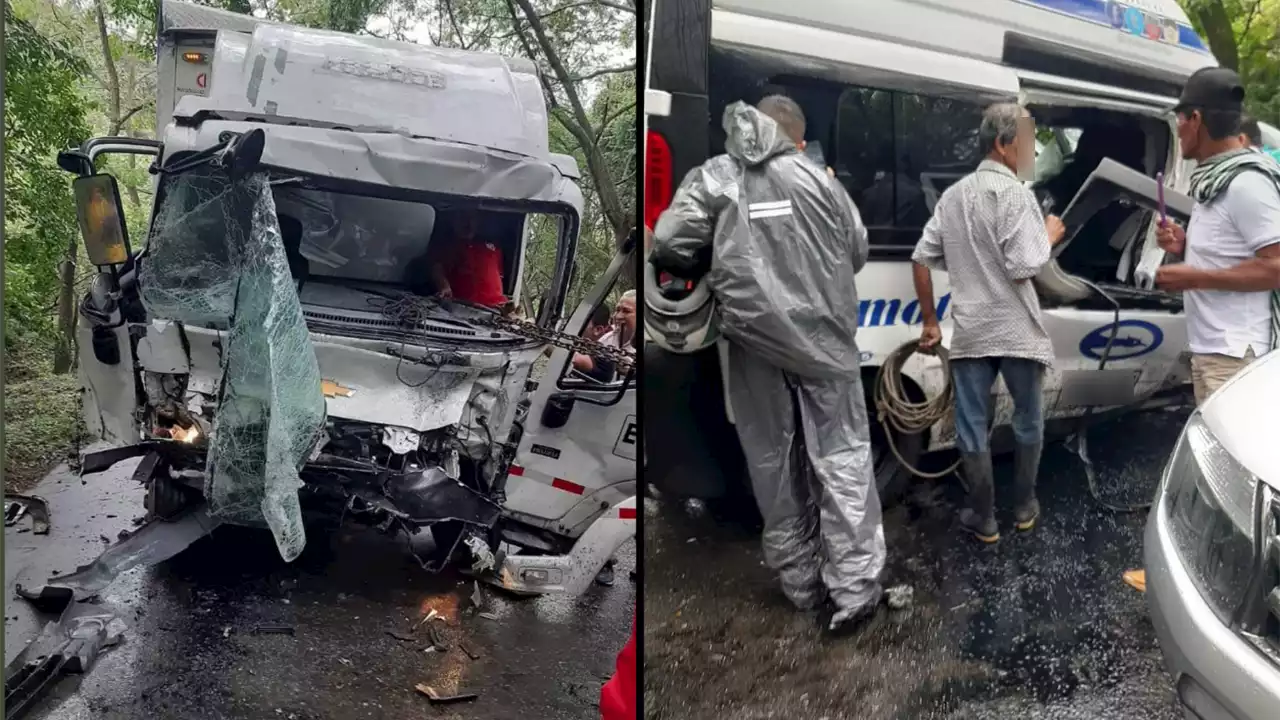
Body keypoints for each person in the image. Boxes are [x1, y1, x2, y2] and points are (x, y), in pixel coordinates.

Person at [652, 96, 883, 634]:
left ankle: (801, 585)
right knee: (842, 456)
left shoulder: (717, 176)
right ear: (798, 140)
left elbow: (669, 240)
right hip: (827, 344)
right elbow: (858, 249)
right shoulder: (822, 181)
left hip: (753, 343)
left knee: (773, 462)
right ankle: (853, 592)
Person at [1122, 68, 1280, 594]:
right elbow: (1233, 251)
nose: (1178, 131)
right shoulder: (1218, 182)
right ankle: (1211, 579)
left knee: (1228, 482)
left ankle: (1224, 593)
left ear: (1195, 120)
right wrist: (1183, 243)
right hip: (1217, 350)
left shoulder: (1246, 183)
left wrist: (1191, 275)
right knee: (1219, 477)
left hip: (1236, 356)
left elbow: (1276, 265)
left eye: (1180, 120)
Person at [911, 103, 1067, 544]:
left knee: (971, 425)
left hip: (973, 331)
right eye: (1026, 142)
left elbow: (921, 258)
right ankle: (1022, 507)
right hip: (1017, 330)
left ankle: (983, 518)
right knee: (1029, 421)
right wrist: (1049, 236)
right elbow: (1023, 266)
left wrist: (930, 322)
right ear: (1002, 145)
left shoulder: (953, 196)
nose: (1031, 153)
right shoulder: (1017, 193)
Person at [428, 211, 507, 307]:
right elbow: (437, 269)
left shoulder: (493, 247)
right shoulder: (448, 247)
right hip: (465, 309)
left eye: (472, 218)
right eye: (462, 218)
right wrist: (444, 286)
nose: (468, 223)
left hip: (497, 310)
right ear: (453, 221)